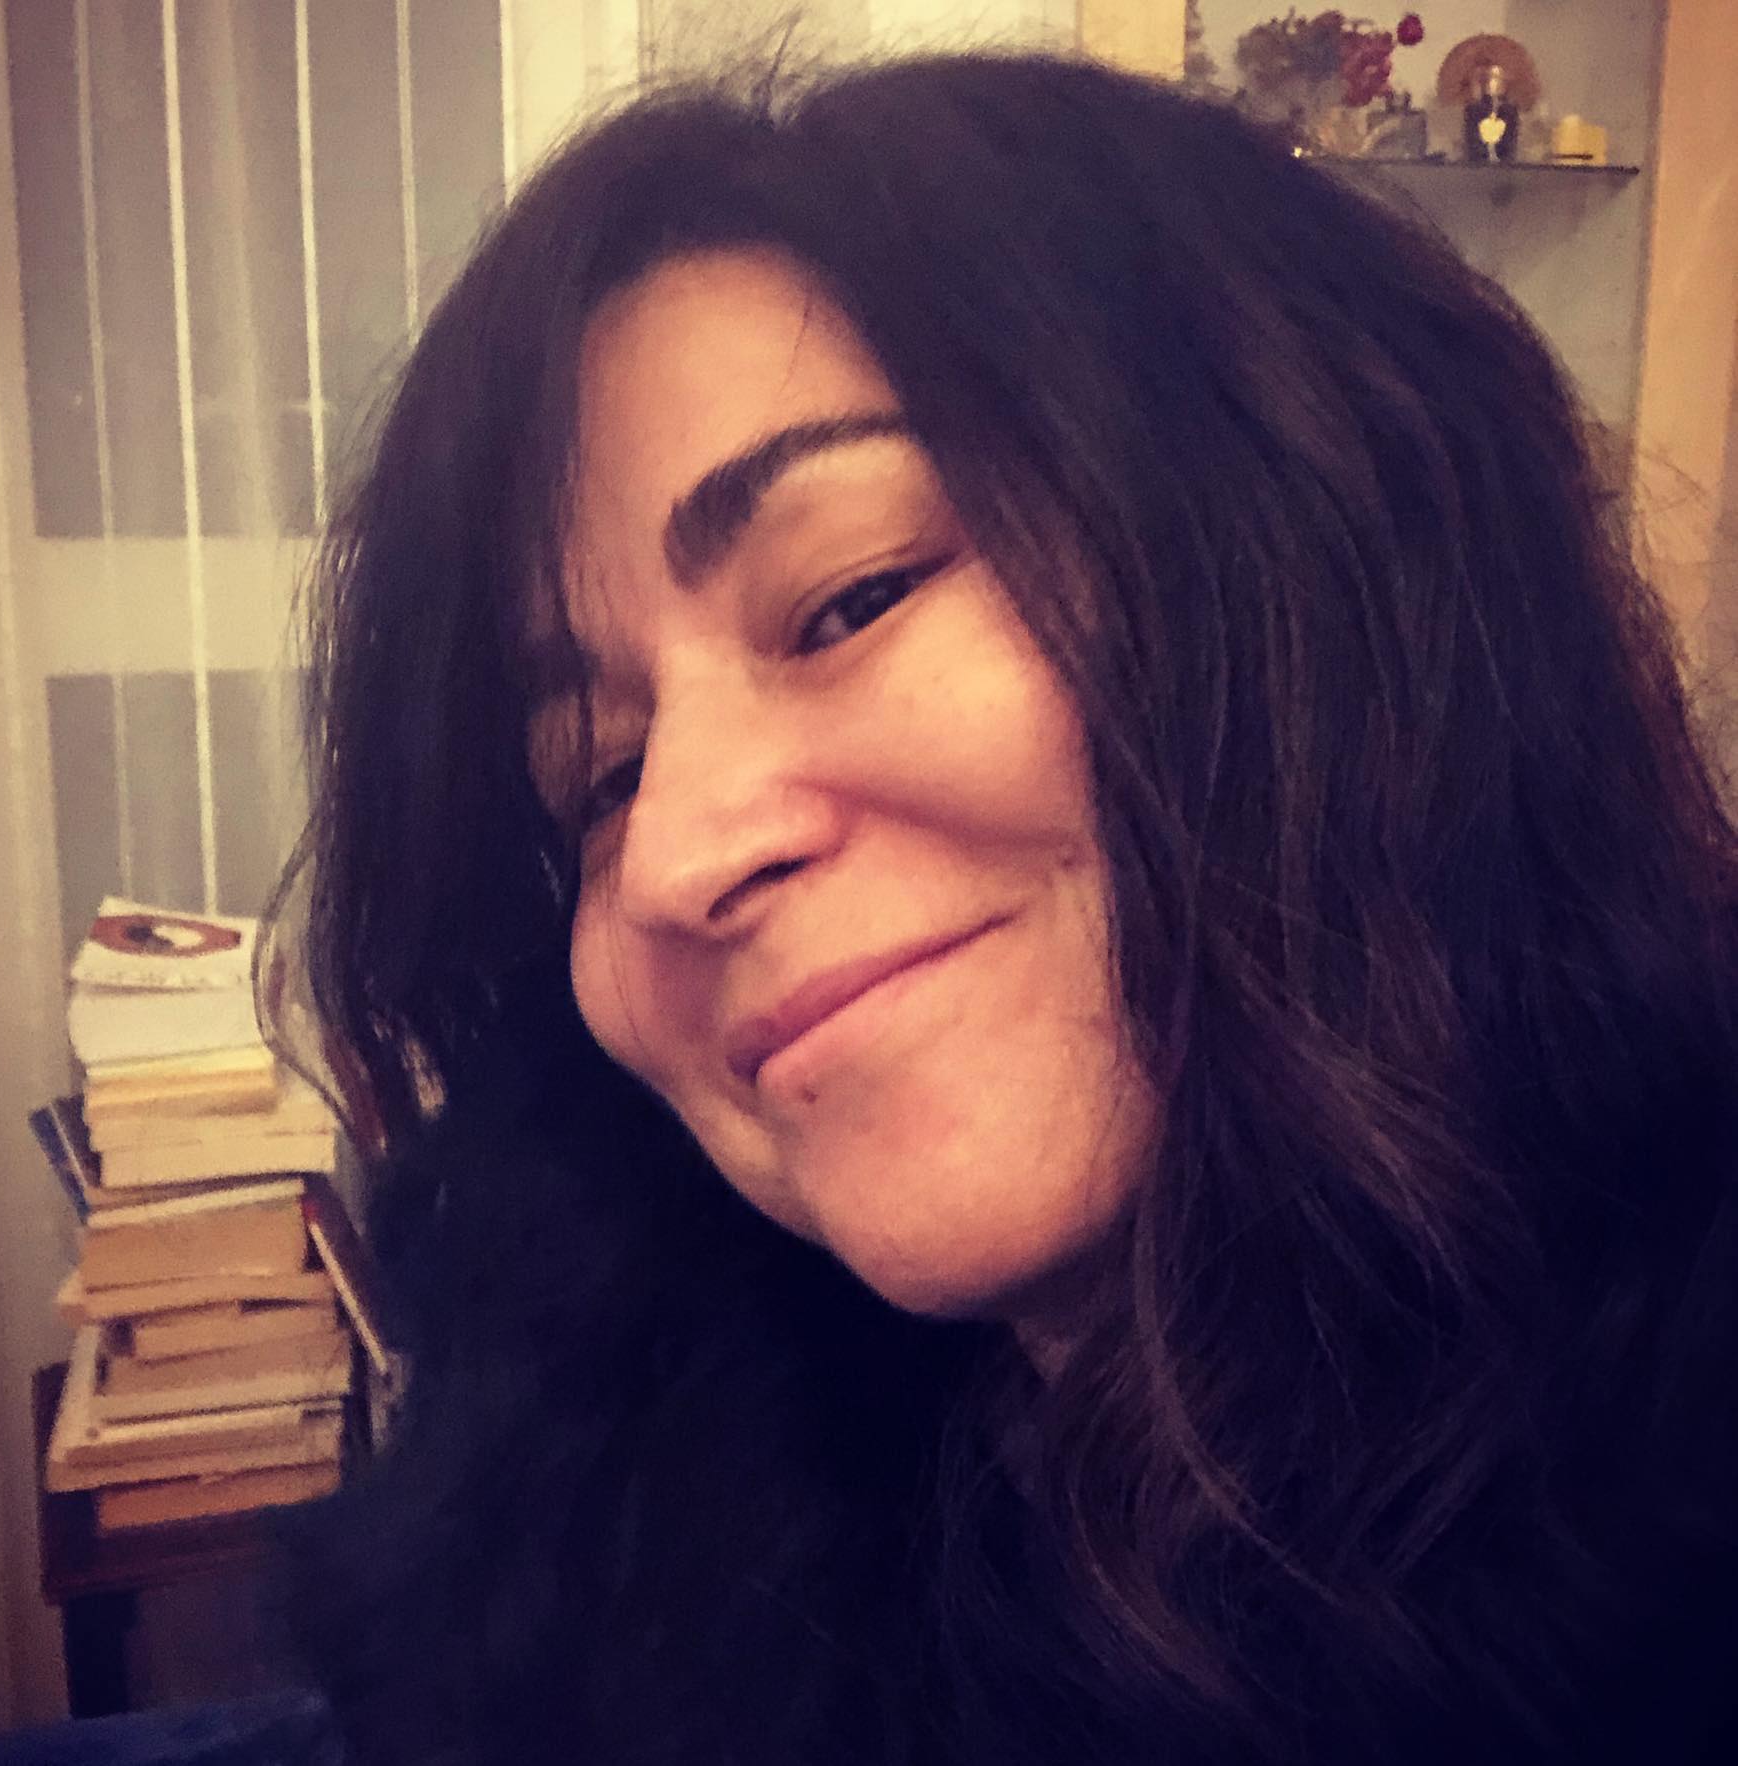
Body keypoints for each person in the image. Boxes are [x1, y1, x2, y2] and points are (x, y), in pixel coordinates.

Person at [270, 49, 1738, 1766]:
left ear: (1314, 558)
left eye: (850, 599)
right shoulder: (609, 1527)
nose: (672, 856)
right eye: (599, 777)